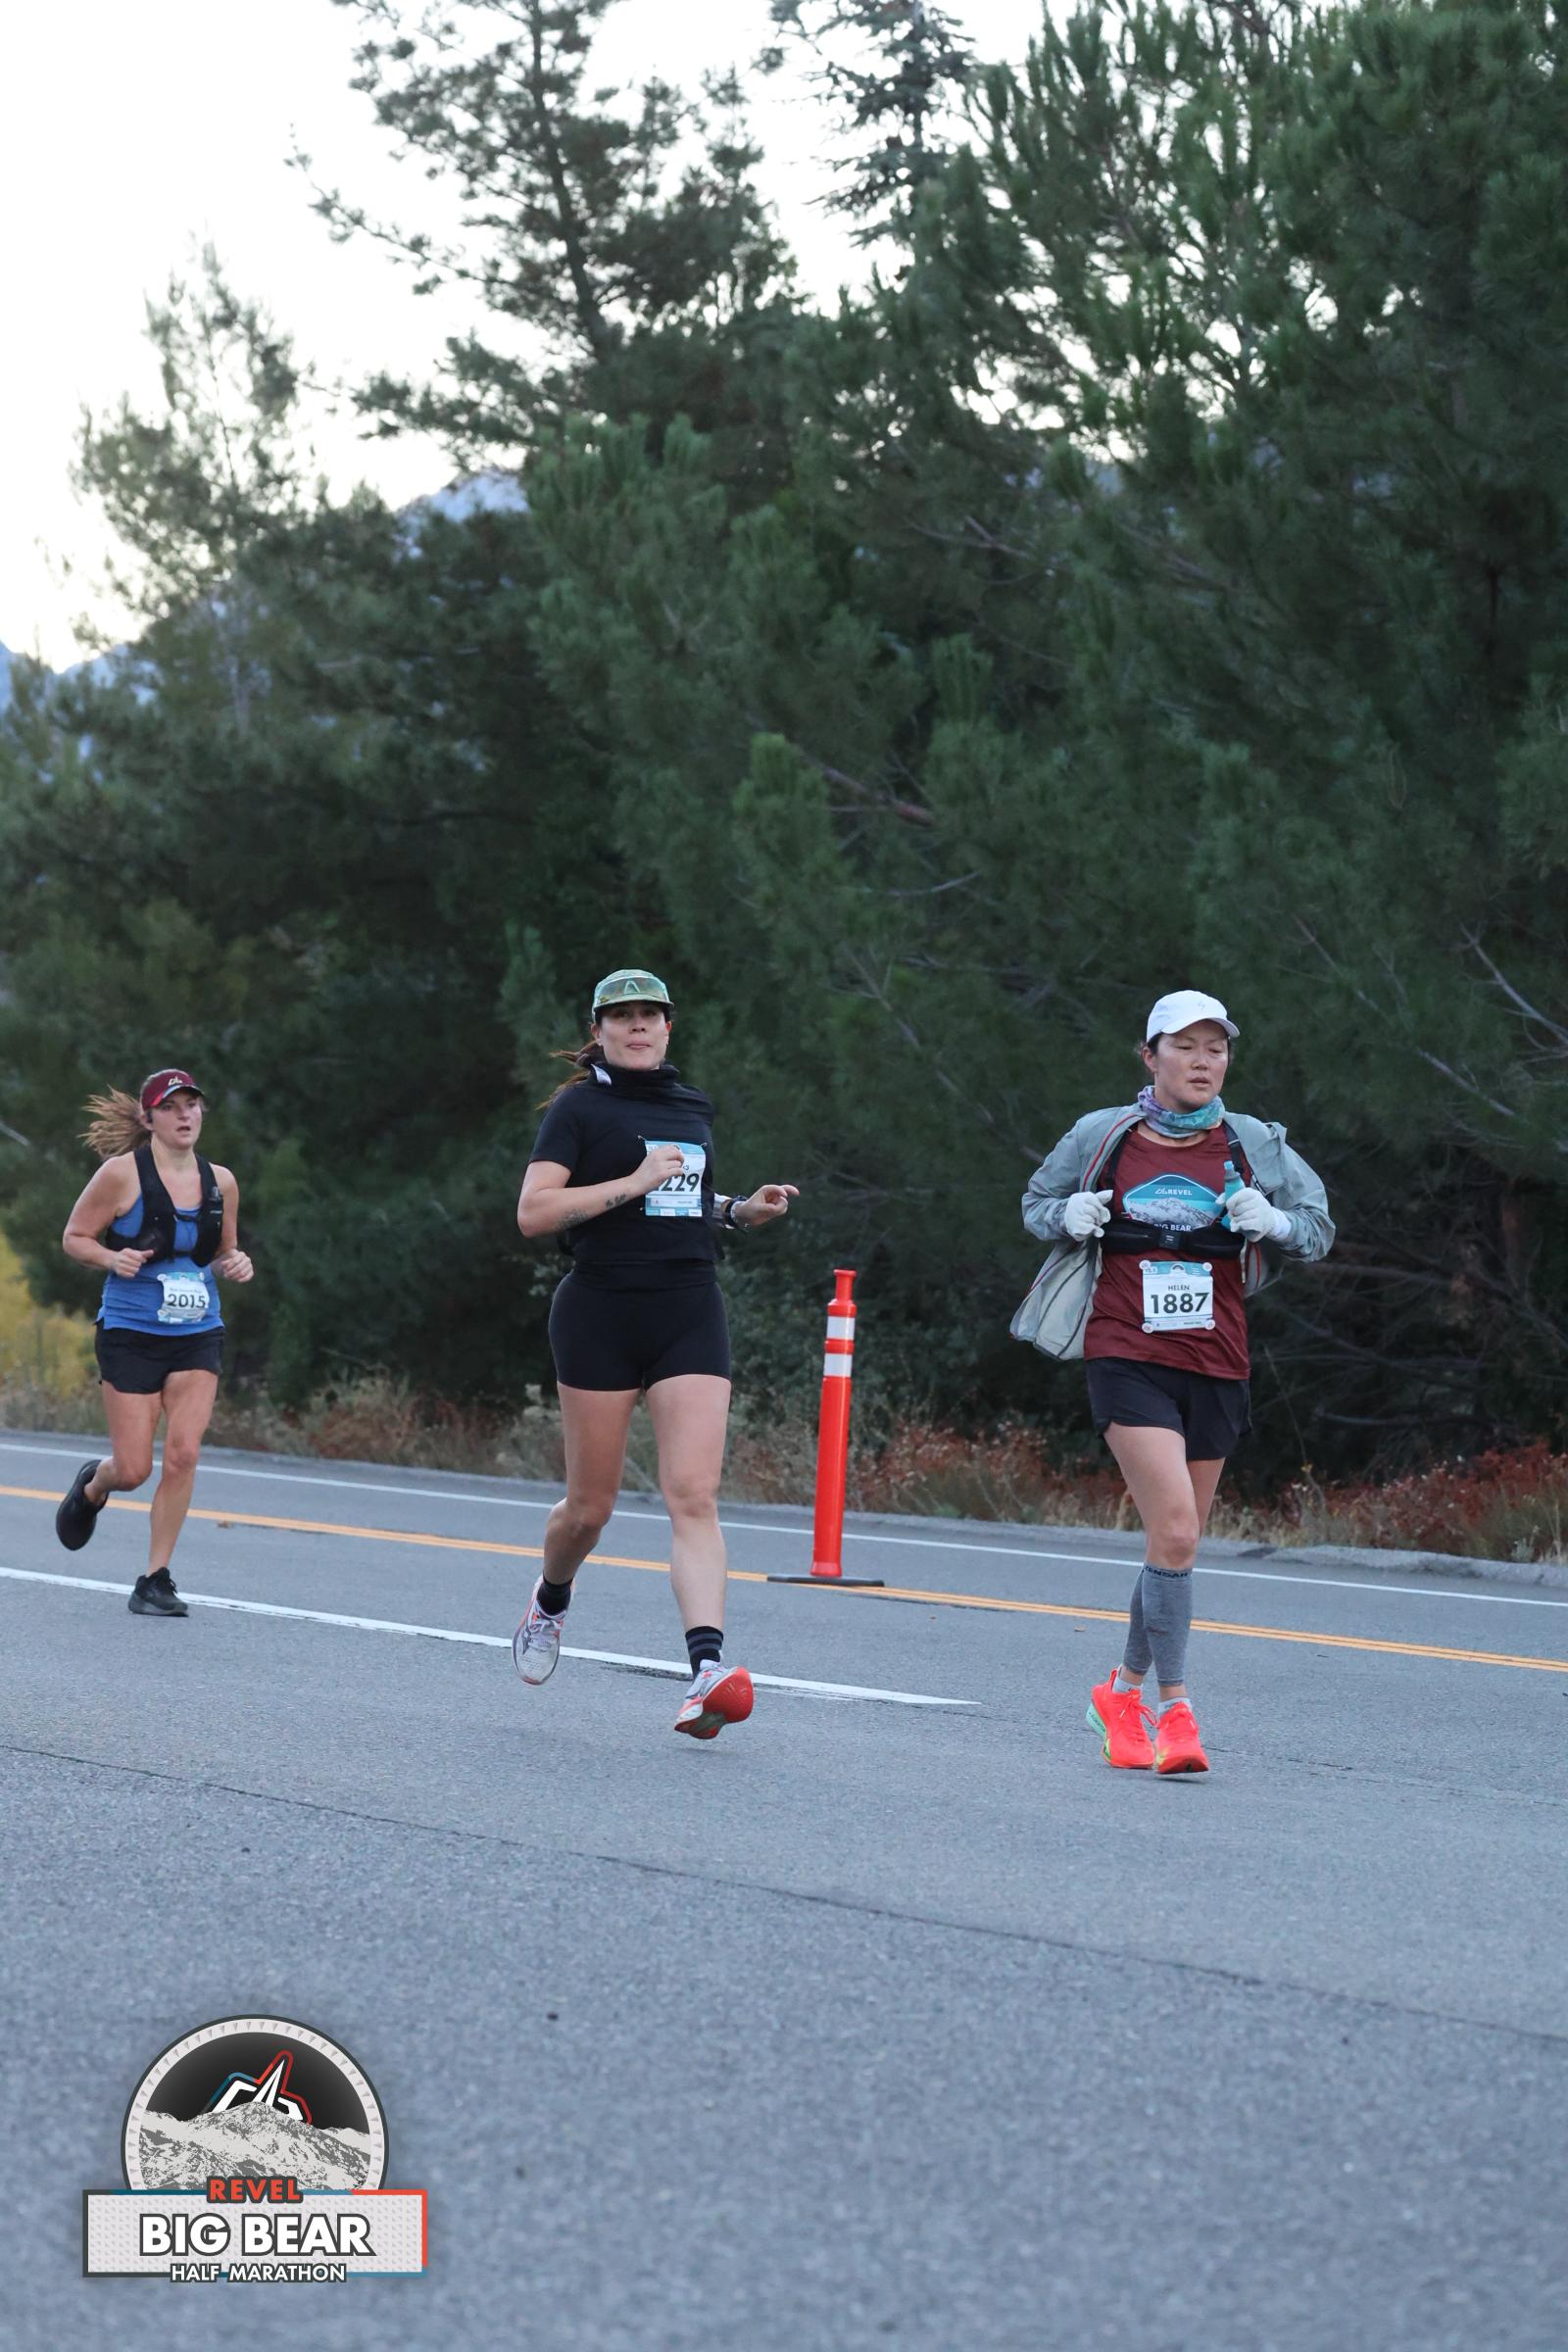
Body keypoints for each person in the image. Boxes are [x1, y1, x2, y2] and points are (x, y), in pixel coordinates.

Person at [1014, 990, 1334, 1775]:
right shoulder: (1104, 1135)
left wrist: (1277, 1222)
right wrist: (1067, 1216)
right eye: (1184, 1046)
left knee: (1172, 1543)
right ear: (1149, 1056)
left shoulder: (1253, 1142)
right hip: (1126, 1353)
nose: (1202, 1061)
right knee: (1181, 1532)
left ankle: (1119, 1691)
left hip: (1217, 1360)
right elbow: (1035, 1203)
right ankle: (1176, 1709)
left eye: (1215, 1048)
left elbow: (1319, 1229)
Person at [514, 968, 798, 1739]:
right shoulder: (578, 1108)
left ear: (669, 1027)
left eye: (650, 1015)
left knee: (693, 1495)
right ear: (598, 1029)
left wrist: (737, 1211)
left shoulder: (689, 1106)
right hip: (600, 1310)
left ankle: (706, 1671)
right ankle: (550, 1599)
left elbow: (684, 1200)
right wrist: (633, 1180)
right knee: (590, 1509)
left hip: (688, 1307)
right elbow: (534, 1212)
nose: (637, 1027)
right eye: (622, 1016)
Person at [55, 1068, 253, 1616]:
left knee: (184, 1453)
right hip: (131, 1333)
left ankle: (154, 1579)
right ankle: (94, 1486)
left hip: (196, 1332)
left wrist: (235, 1263)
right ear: (149, 1118)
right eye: (171, 1107)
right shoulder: (120, 1175)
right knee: (134, 1469)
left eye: (192, 1105)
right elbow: (74, 1238)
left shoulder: (222, 1182)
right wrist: (110, 1257)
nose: (185, 1115)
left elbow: (222, 1251)